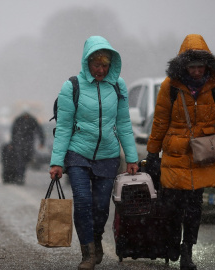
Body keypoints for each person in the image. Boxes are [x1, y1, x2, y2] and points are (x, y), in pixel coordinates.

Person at [144, 34, 215, 270]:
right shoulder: (170, 86)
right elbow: (160, 121)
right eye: (192, 67)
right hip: (175, 154)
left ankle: (187, 250)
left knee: (194, 207)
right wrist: (152, 154)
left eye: (200, 66)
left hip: (203, 154)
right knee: (173, 205)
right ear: (183, 66)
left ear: (207, 65)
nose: (196, 72)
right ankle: (173, 240)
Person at [49, 36, 139, 270]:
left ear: (111, 65)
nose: (100, 70)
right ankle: (87, 253)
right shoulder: (72, 86)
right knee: (82, 201)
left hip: (108, 155)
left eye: (105, 65)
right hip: (78, 153)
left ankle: (96, 237)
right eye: (96, 65)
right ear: (87, 62)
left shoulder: (118, 86)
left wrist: (132, 158)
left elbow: (124, 123)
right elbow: (64, 127)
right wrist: (57, 162)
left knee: (101, 207)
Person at [10, 110, 45, 184]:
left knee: (25, 160)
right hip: (20, 142)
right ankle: (20, 176)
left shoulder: (32, 120)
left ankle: (20, 176)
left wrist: (42, 141)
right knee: (20, 160)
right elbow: (13, 131)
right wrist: (12, 142)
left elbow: (39, 130)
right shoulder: (19, 120)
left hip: (27, 143)